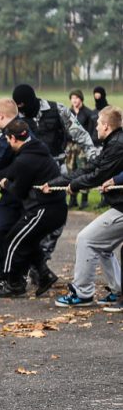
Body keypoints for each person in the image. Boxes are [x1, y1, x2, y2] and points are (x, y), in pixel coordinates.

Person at [11, 83, 98, 284]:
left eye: (23, 105)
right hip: (31, 174)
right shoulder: (18, 119)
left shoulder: (56, 109)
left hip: (56, 170)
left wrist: (94, 157)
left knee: (56, 221)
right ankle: (34, 265)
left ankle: (40, 262)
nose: (22, 110)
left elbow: (81, 134)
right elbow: (2, 144)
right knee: (30, 220)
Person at [0, 120, 68, 298]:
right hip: (53, 209)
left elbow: (18, 190)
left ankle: (13, 283)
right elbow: (14, 170)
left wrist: (5, 184)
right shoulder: (35, 148)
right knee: (28, 240)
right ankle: (44, 275)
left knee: (11, 241)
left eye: (7, 139)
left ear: (12, 138)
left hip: (44, 210)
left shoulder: (25, 159)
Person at [49, 106, 123, 308]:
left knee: (86, 239)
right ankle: (118, 291)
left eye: (98, 122)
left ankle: (82, 293)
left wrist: (74, 185)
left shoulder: (117, 145)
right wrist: (58, 183)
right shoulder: (113, 142)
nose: (96, 126)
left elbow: (98, 175)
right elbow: (92, 167)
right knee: (103, 246)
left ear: (106, 126)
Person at [66, 89, 98, 209]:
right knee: (71, 171)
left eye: (76, 98)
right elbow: (65, 129)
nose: (74, 100)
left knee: (84, 171)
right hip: (70, 146)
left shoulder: (88, 113)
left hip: (82, 147)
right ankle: (73, 198)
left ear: (81, 99)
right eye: (72, 98)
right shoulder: (68, 113)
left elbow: (90, 131)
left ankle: (84, 199)